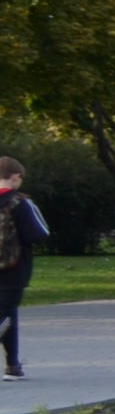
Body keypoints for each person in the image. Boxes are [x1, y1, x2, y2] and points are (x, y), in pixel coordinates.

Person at [0, 157, 52, 381]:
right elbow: (39, 233)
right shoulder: (20, 202)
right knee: (8, 312)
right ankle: (12, 366)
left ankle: (13, 365)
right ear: (16, 176)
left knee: (7, 314)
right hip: (14, 266)